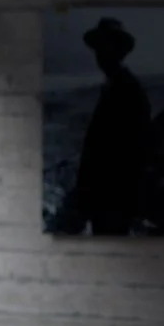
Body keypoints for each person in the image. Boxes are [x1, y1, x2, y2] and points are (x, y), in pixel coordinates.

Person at [63, 17, 151, 235]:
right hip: (103, 201)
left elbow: (133, 152)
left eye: (108, 46)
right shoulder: (114, 87)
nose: (101, 53)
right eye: (99, 47)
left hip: (113, 201)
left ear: (120, 50)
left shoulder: (128, 89)